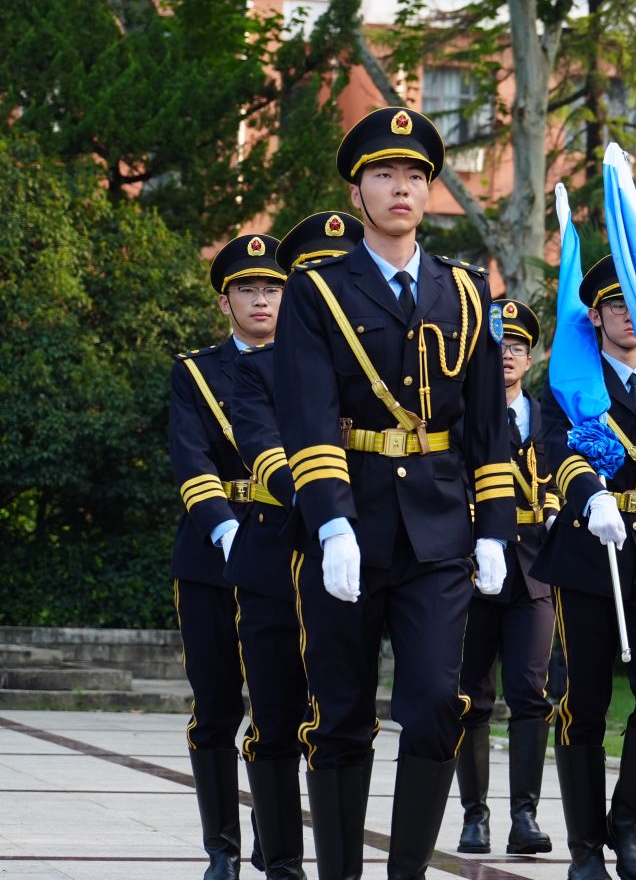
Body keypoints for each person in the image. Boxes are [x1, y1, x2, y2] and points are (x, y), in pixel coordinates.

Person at [276, 107, 514, 880]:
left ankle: (406, 872)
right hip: (351, 525)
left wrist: (495, 528)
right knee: (341, 714)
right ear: (358, 191)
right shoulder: (316, 290)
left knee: (438, 702)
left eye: (414, 174)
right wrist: (331, 523)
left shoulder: (466, 292)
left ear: (430, 188)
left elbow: (488, 423)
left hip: (438, 533)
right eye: (384, 174)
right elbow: (308, 413)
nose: (401, 187)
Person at [217, 210, 365, 880]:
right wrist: (324, 505)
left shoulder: (379, 360)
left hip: (361, 560)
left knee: (341, 718)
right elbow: (264, 452)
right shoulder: (258, 367)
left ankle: (339, 861)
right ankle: (280, 861)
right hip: (278, 557)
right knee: (276, 717)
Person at [534, 254, 636, 880]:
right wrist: (591, 497)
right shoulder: (572, 384)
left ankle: (626, 821)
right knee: (585, 699)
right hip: (590, 552)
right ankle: (586, 845)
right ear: (595, 316)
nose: (628, 317)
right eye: (616, 306)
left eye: (635, 306)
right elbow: (556, 452)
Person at [169, 231, 288, 879]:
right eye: (247, 289)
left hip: (285, 550)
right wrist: (224, 530)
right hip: (213, 558)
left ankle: (274, 843)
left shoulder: (308, 369)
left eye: (272, 288)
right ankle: (222, 848)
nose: (261, 299)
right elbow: (192, 460)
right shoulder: (195, 372)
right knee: (216, 707)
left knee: (281, 708)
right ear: (225, 301)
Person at [454, 297, 560, 857]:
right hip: (474, 569)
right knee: (471, 696)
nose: (508, 357)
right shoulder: (461, 419)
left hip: (534, 573)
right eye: (499, 348)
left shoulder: (548, 417)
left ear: (531, 357)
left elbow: (560, 476)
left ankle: (525, 815)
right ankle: (475, 816)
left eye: (518, 347)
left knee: (530, 694)